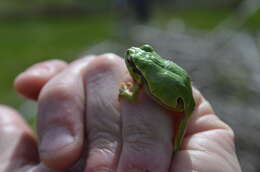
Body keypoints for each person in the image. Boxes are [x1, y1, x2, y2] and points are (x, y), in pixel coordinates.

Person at [0, 54, 242, 172]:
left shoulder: (138, 81)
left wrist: (126, 92)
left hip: (173, 102)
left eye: (131, 62)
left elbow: (130, 95)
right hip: (179, 96)